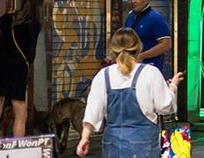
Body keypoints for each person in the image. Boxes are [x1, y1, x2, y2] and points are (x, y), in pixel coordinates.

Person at [78, 28, 183, 158]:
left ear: (112, 50)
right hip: (144, 146)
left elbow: (92, 113)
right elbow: (165, 106)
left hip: (112, 146)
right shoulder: (150, 72)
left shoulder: (103, 76)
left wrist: (84, 138)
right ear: (139, 47)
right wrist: (173, 86)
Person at [0, 0, 43, 138]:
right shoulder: (33, 24)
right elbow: (31, 52)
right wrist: (27, 62)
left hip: (0, 67)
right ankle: (17, 152)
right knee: (20, 115)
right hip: (17, 69)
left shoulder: (8, 18)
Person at [121, 0, 172, 72]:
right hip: (131, 68)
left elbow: (166, 45)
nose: (132, 1)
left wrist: (142, 56)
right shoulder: (130, 17)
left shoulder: (155, 18)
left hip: (150, 68)